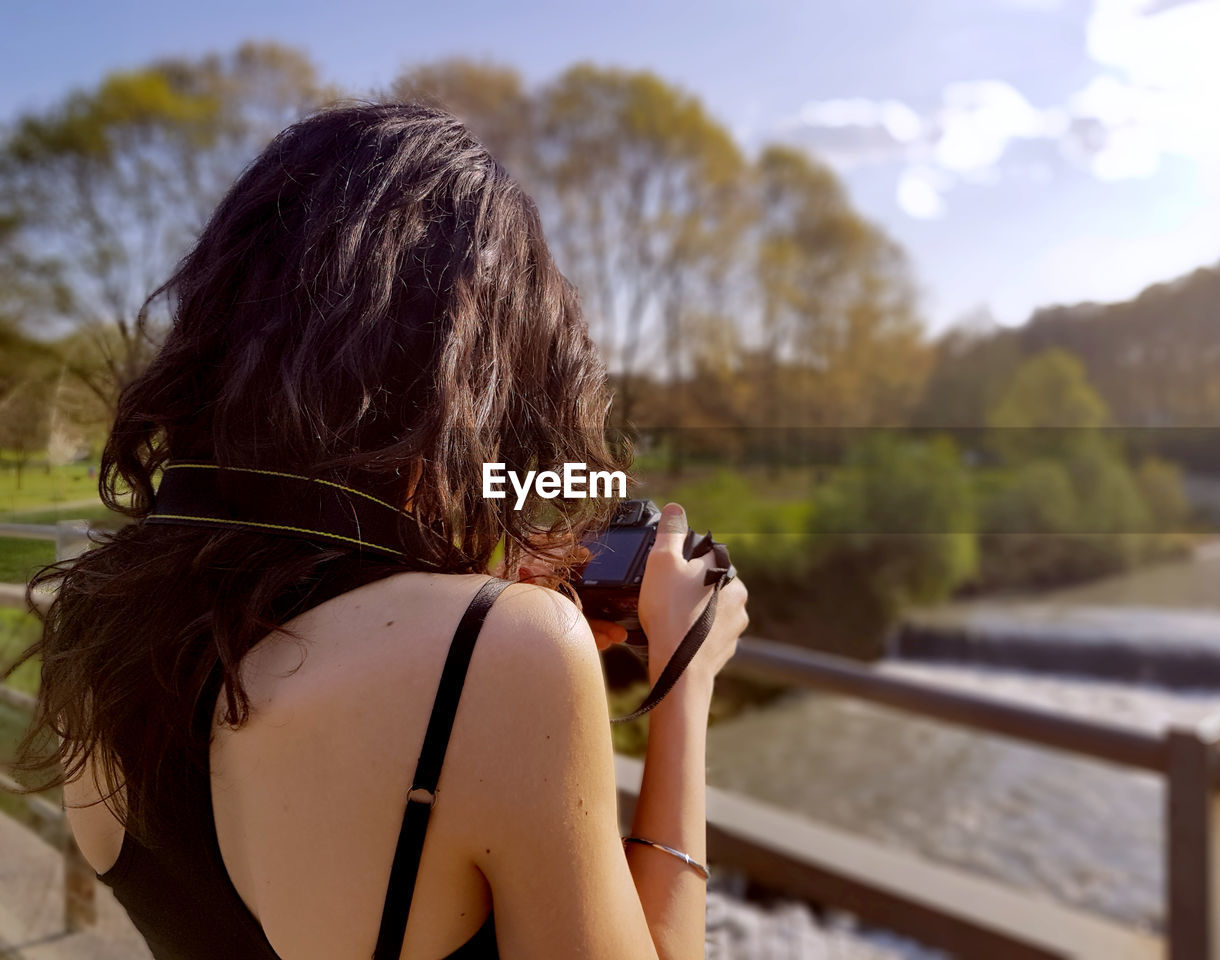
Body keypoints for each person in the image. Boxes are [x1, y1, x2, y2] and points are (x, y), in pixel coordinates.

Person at [6, 102, 749, 959]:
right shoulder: (500, 656)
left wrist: (475, 602)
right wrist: (684, 682)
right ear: (475, 385)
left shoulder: (94, 622)